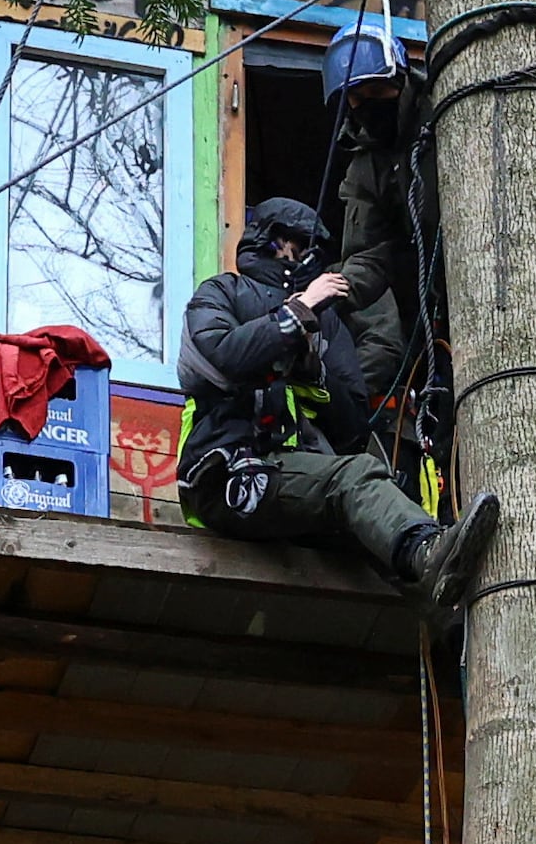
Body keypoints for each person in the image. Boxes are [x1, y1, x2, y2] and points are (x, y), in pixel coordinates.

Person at [181, 196, 498, 607]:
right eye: (295, 243)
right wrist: (297, 314)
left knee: (368, 499)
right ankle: (427, 553)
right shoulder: (222, 293)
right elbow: (218, 354)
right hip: (227, 473)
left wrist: (314, 370)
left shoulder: (329, 324)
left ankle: (438, 590)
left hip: (296, 481)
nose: (304, 254)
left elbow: (352, 429)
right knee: (353, 478)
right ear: (272, 241)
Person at [321, 22, 434, 447]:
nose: (366, 107)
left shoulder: (444, 112)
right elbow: (370, 253)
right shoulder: (364, 166)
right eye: (355, 100)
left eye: (375, 94)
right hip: (424, 308)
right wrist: (332, 295)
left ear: (399, 80)